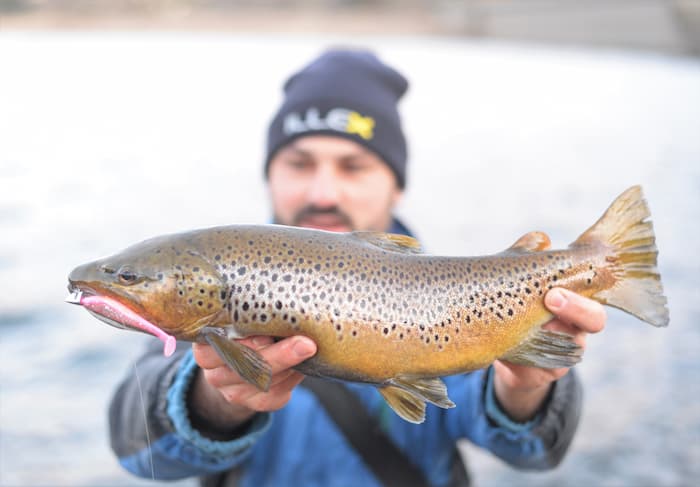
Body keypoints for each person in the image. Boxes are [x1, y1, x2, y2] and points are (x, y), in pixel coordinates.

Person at [109, 48, 606, 487]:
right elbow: (137, 449)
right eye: (300, 163)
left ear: (397, 185)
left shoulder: (450, 299)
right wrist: (216, 401)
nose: (323, 192)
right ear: (269, 176)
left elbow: (538, 454)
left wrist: (523, 390)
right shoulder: (199, 301)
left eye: (354, 166)